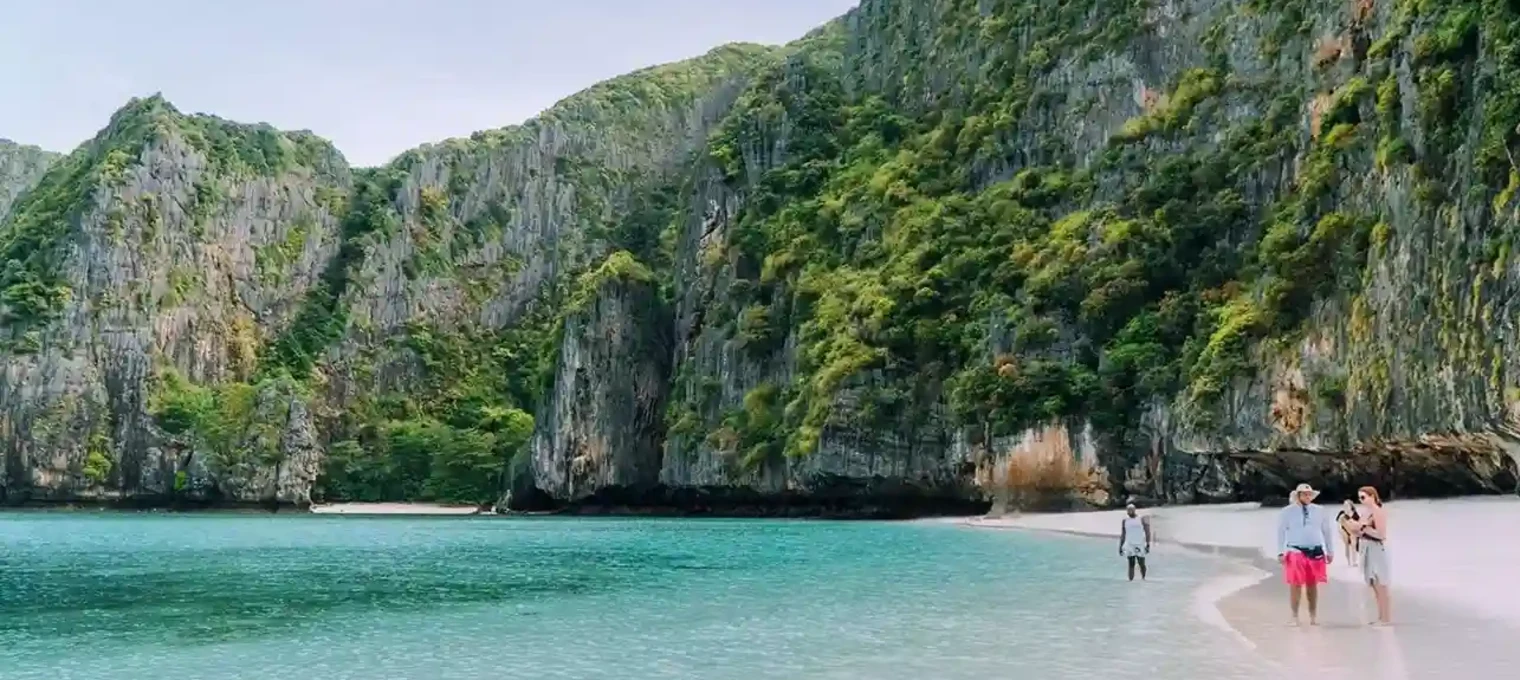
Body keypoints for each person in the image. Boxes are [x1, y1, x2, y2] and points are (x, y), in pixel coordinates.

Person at [1276, 483, 1335, 626]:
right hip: (1295, 550)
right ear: (1298, 495)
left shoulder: (1320, 511)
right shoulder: (1287, 511)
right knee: (1295, 584)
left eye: (1309, 494)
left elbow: (1327, 531)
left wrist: (1330, 551)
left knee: (1312, 585)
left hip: (1315, 550)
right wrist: (1280, 552)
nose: (1307, 496)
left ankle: (1313, 616)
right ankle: (1294, 616)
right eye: (1304, 494)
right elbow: (1281, 531)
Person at [1352, 485, 1393, 626]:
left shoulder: (1378, 512)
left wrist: (1364, 528)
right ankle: (1380, 616)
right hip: (1365, 547)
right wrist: (1357, 529)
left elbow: (1381, 535)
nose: (1361, 500)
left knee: (1380, 582)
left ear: (1372, 496)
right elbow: (1360, 530)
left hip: (1375, 547)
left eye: (1363, 497)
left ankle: (1385, 618)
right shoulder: (1365, 512)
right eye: (1359, 498)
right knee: (1373, 583)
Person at [1118, 503, 1151, 581]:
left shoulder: (1141, 519)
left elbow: (1147, 532)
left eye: (1131, 510)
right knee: (1131, 563)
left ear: (1134, 510)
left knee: (1141, 563)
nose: (1129, 512)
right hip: (1130, 545)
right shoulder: (1125, 520)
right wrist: (1120, 546)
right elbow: (1123, 534)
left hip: (1140, 544)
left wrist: (1148, 544)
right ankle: (1131, 581)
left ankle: (1143, 578)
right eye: (1128, 510)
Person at [1336, 499, 1361, 567]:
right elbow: (1338, 524)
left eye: (1347, 505)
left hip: (1353, 531)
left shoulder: (1355, 514)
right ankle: (1348, 561)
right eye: (1344, 505)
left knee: (1353, 545)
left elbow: (1359, 523)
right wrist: (1340, 532)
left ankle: (1354, 561)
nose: (1345, 506)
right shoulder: (1342, 514)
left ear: (1351, 506)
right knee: (1347, 546)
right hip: (1344, 530)